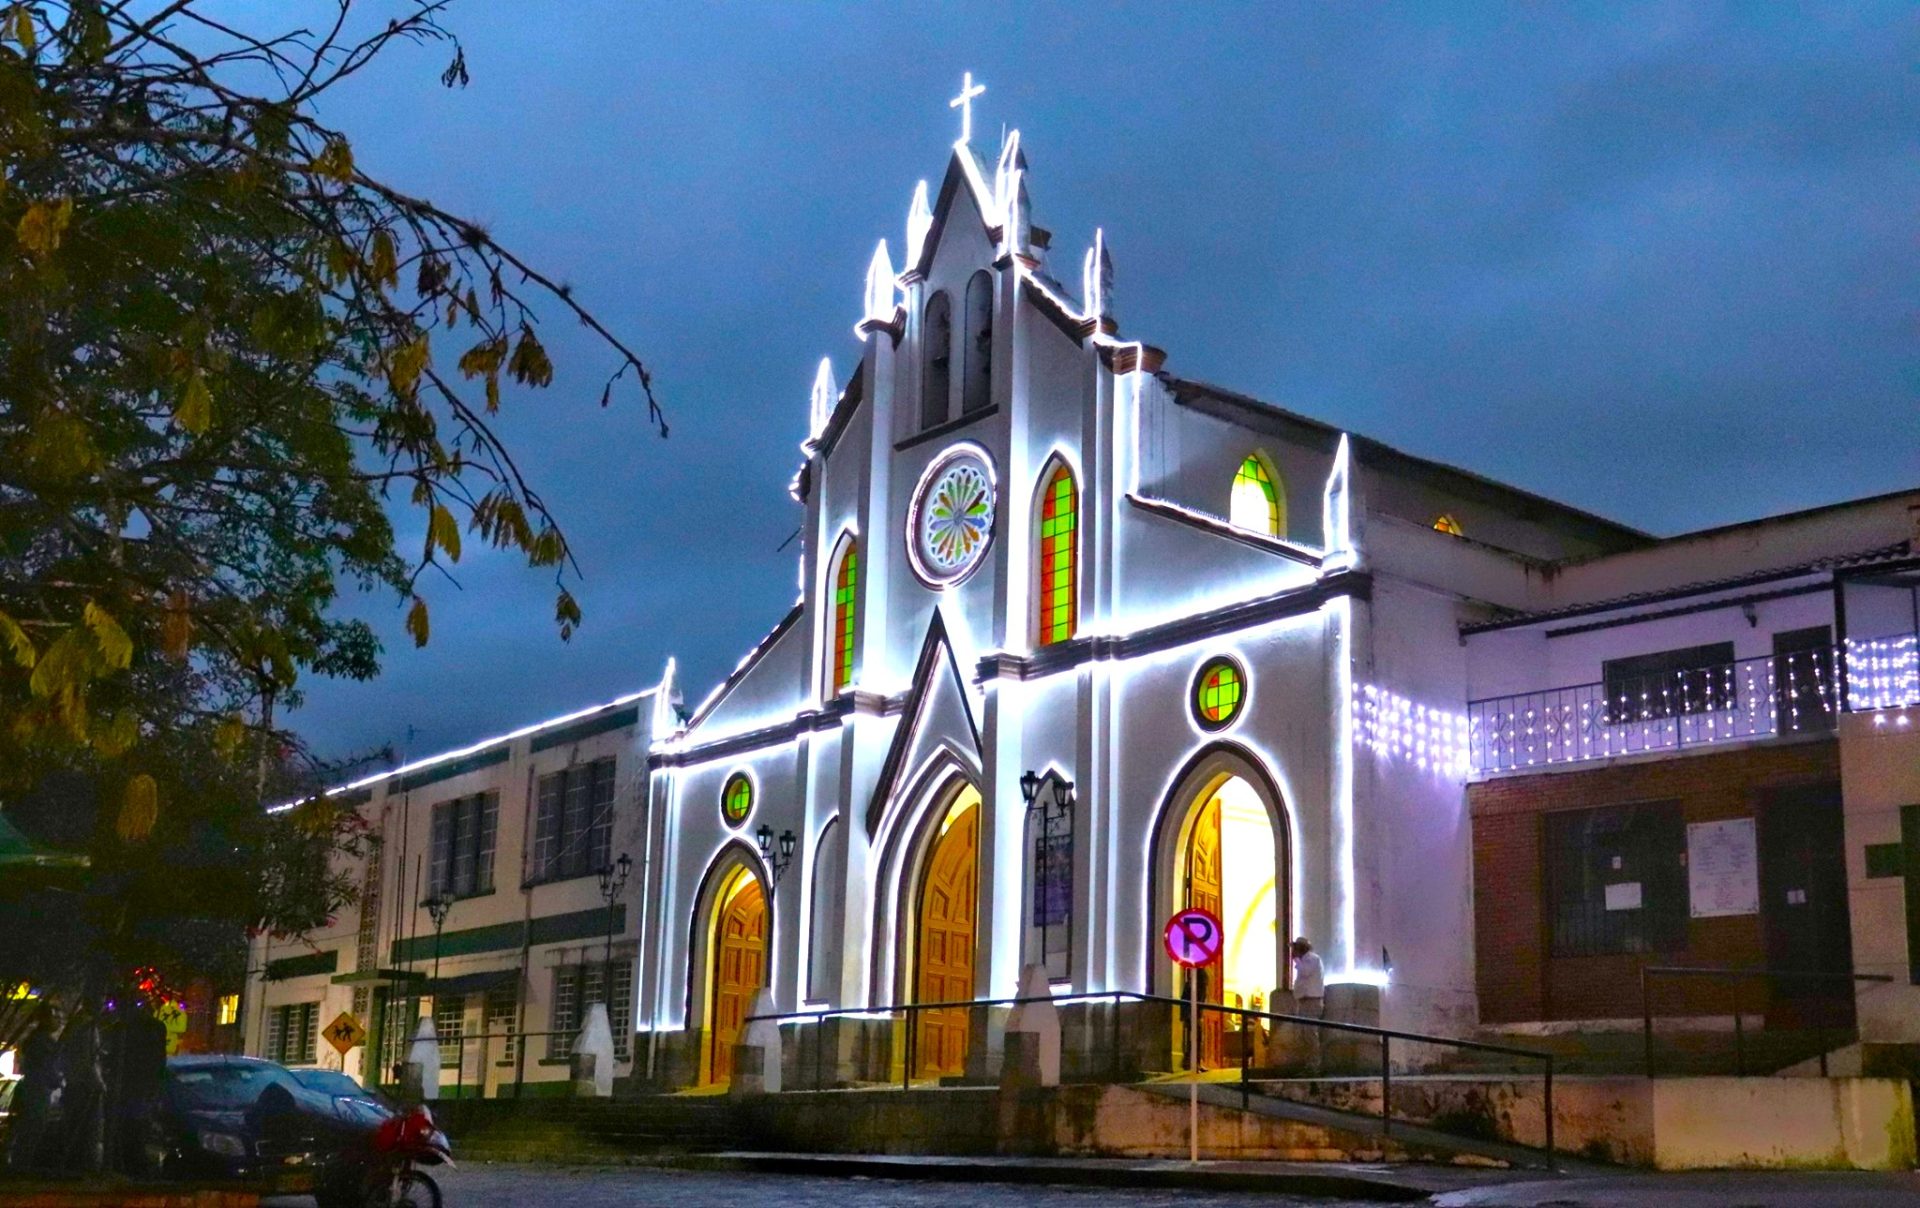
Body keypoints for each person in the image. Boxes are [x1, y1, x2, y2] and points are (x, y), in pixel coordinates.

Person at [5, 1003, 62, 1170]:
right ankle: (22, 1166)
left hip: (34, 1088)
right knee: (33, 1129)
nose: (58, 1021)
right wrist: (57, 1080)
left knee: (28, 1129)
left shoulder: (35, 1039)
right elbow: (47, 1068)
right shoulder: (43, 1042)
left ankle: (21, 1164)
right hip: (38, 1090)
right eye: (55, 1017)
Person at [1290, 937, 1325, 1018]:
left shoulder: (1313, 958)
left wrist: (1296, 959)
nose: (1294, 950)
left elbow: (1306, 972)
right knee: (1302, 1028)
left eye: (1296, 947)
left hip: (1312, 1001)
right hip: (1304, 1001)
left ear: (1302, 948)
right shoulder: (1303, 961)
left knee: (1310, 1029)